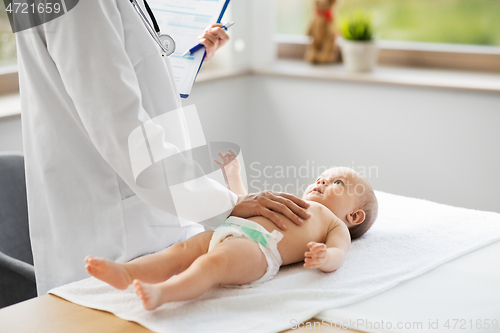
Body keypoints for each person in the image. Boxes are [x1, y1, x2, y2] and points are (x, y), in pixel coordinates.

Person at [16, 0, 310, 295]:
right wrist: (226, 203)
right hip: (119, 236)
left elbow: (112, 70)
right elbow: (122, 128)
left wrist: (181, 56)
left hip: (144, 224)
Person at [85, 151, 378, 310]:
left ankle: (164, 293)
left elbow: (339, 253)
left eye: (336, 183)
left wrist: (324, 257)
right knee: (179, 251)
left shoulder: (333, 223)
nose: (322, 182)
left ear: (354, 215)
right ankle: (127, 273)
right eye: (321, 177)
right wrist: (235, 176)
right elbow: (247, 204)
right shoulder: (294, 201)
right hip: (230, 227)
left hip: (260, 249)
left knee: (212, 264)